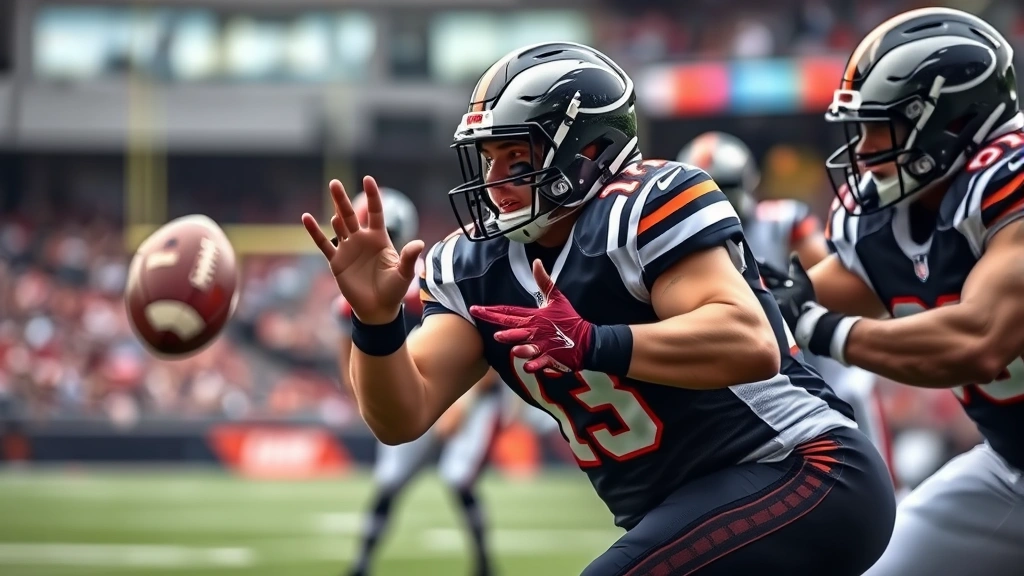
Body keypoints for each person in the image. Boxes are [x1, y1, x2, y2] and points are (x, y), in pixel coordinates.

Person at [304, 42, 894, 575]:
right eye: (487, 159)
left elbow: (749, 342)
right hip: (686, 506)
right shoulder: (473, 267)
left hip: (801, 470)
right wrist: (376, 322)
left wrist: (591, 342)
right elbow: (400, 415)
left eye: (515, 157)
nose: (494, 181)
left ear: (589, 151)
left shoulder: (642, 207)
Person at [761, 8, 1024, 576]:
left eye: (883, 126)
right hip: (1011, 464)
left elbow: (981, 339)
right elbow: (813, 292)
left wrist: (816, 328)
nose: (862, 150)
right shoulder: (891, 219)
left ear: (956, 120)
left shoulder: (1009, 187)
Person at [677, 132, 894, 479]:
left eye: (723, 184)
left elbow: (827, 284)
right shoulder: (681, 241)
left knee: (871, 471)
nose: (715, 196)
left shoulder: (781, 221)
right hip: (766, 378)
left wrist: (794, 298)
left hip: (822, 364)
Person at [332, 188, 499, 576]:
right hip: (413, 390)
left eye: (385, 230)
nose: (373, 240)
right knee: (389, 482)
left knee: (459, 478)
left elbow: (489, 344)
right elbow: (352, 371)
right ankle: (361, 564)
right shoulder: (350, 297)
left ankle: (484, 565)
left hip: (463, 391)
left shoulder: (435, 276)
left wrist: (466, 402)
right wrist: (373, 400)